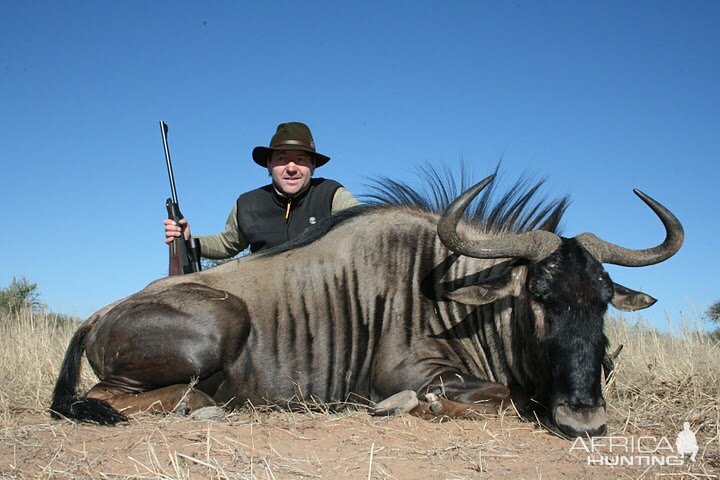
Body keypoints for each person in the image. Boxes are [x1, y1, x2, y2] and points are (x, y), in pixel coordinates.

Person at [164, 122, 359, 258]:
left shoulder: (332, 195)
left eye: (301, 159)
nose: (291, 168)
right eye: (282, 159)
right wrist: (189, 238)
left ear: (313, 166)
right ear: (269, 165)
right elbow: (227, 244)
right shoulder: (247, 204)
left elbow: (362, 230)